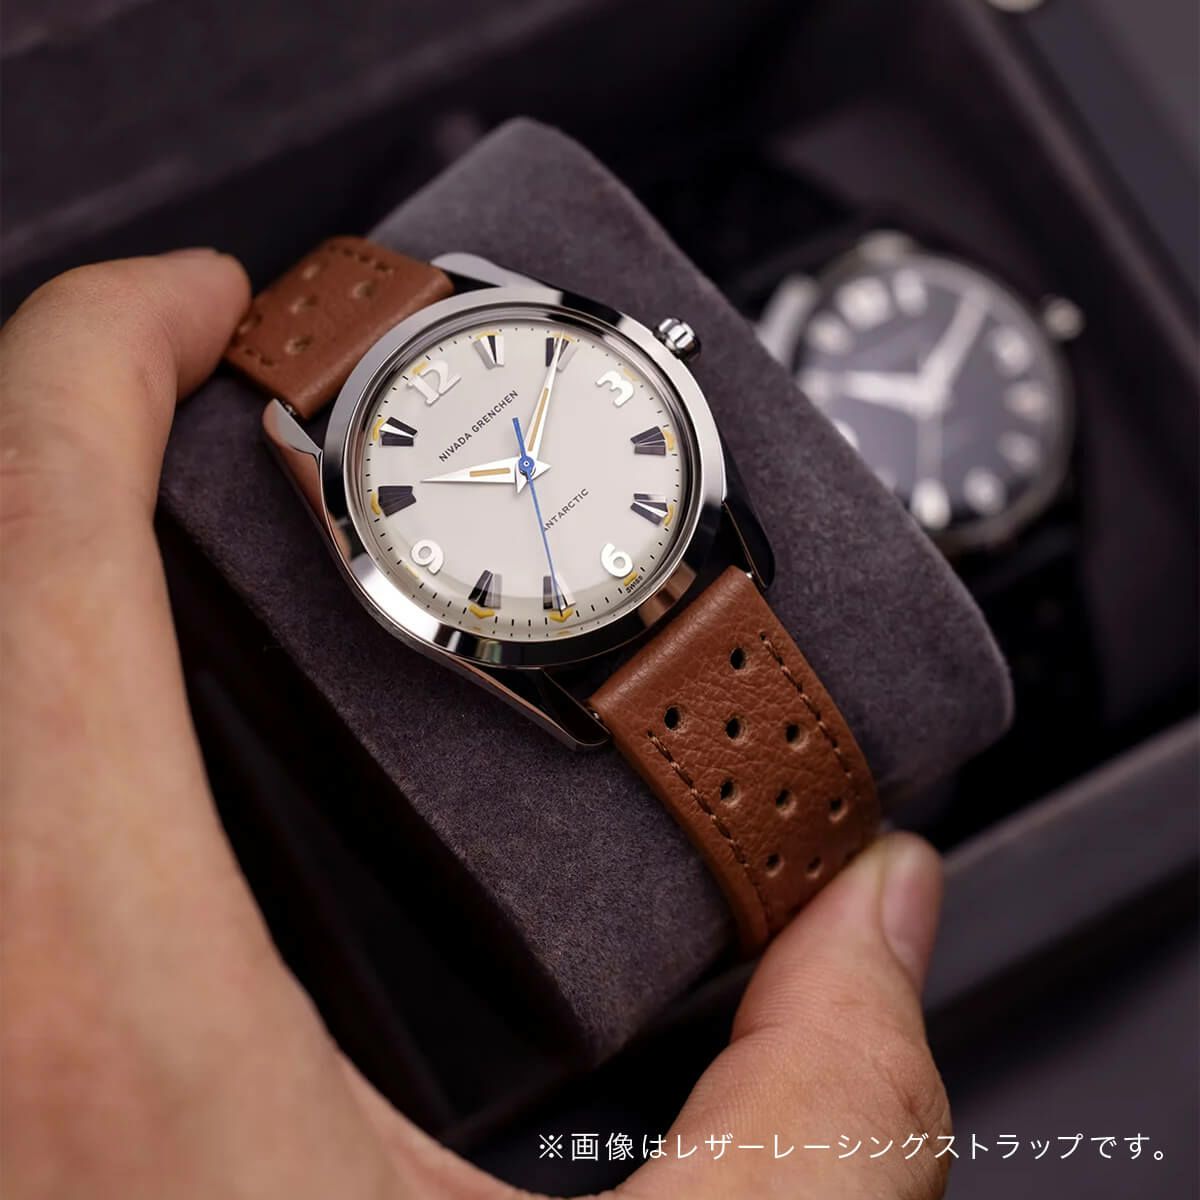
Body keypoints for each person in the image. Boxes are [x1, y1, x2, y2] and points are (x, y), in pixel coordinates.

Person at [0, 249, 951, 1199]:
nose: (529, 469)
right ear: (382, 575)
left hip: (658, 565)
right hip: (574, 653)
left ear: (656, 353)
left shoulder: (475, 302)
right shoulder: (342, 468)